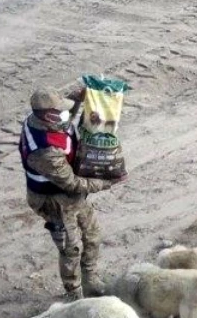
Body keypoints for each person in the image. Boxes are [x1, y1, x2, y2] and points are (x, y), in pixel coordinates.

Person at [20, 87, 123, 299]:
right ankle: (74, 293)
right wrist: (106, 182)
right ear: (48, 116)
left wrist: (77, 99)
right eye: (60, 112)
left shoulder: (48, 121)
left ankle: (90, 279)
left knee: (92, 235)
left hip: (70, 196)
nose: (66, 115)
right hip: (53, 200)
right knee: (70, 248)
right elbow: (73, 184)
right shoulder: (44, 150)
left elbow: (68, 117)